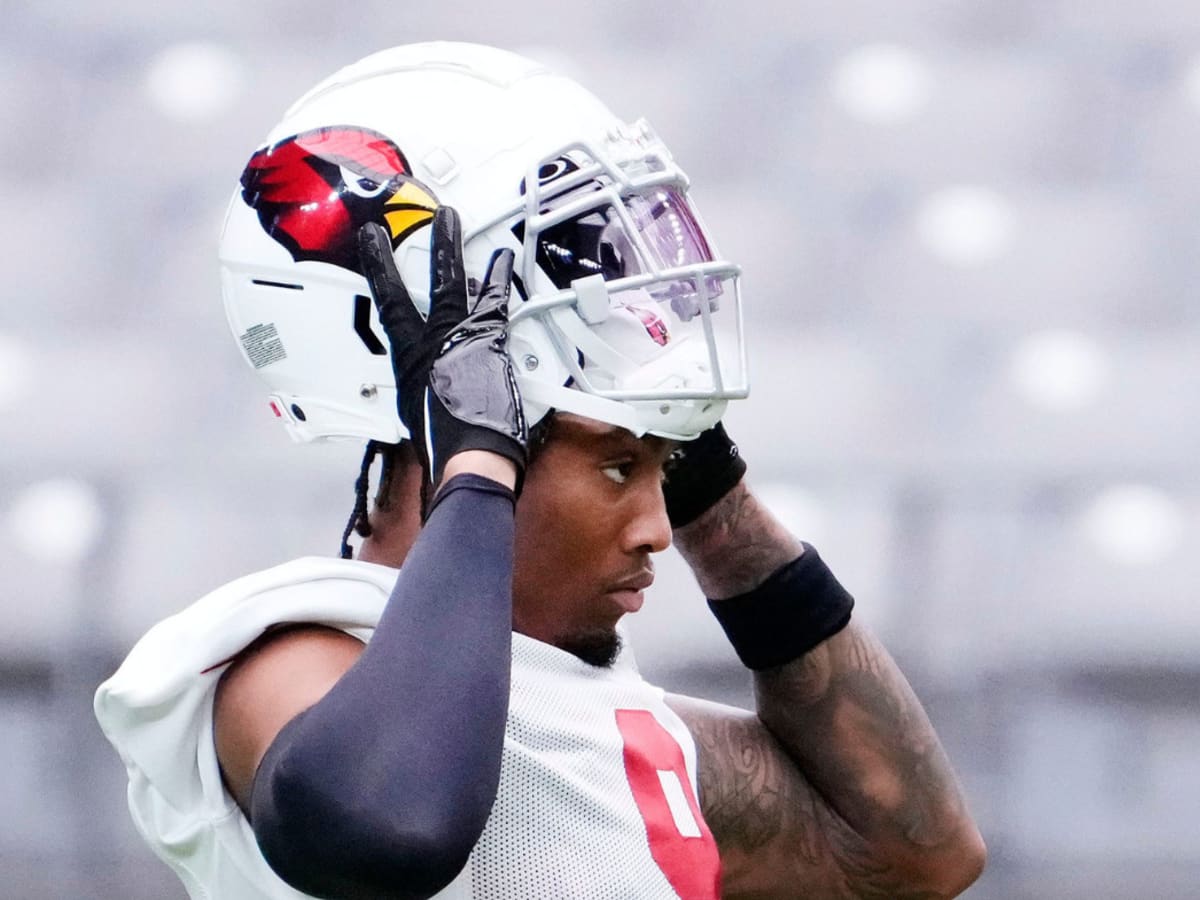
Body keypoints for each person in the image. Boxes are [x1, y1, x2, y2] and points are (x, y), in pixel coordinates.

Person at [95, 41, 985, 900]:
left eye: (662, 473)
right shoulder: (289, 654)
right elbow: (386, 831)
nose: (655, 529)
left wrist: (711, 488)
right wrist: (477, 466)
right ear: (448, 417)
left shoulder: (591, 715)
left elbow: (913, 855)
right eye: (617, 466)